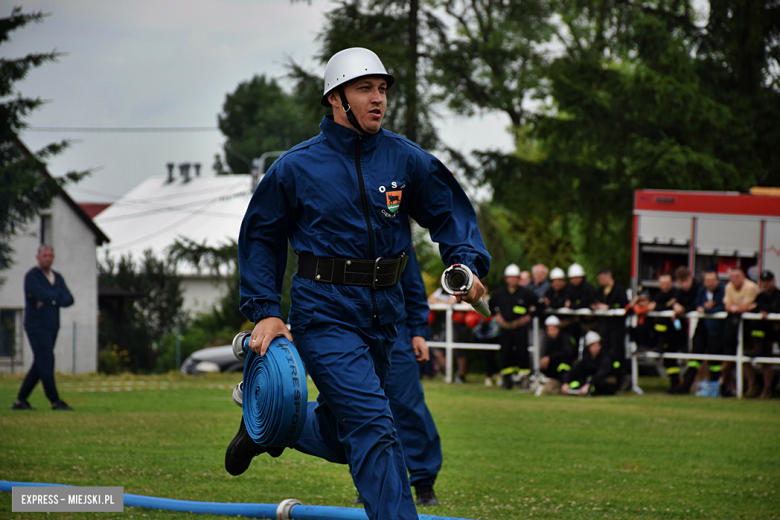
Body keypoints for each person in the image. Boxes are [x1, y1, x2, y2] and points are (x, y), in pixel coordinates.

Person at [227, 48, 490, 520]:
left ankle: (262, 418)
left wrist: (466, 264)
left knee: (345, 433)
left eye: (383, 89)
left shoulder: (404, 159)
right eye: (365, 88)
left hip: (383, 317)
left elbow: (450, 211)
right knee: (373, 424)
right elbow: (260, 237)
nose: (378, 100)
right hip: (322, 314)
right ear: (335, 98)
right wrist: (266, 308)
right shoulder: (295, 167)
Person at [363, 246, 443, 506]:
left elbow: (413, 284)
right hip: (351, 328)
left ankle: (423, 481)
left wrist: (418, 331)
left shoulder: (394, 228)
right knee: (360, 410)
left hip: (396, 330)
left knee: (408, 404)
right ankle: (371, 479)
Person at [12, 245, 74, 411]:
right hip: (36, 326)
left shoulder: (57, 277)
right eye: (45, 255)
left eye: (50, 255)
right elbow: (41, 294)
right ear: (38, 257)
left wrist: (50, 299)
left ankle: (21, 400)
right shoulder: (32, 277)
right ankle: (55, 401)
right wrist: (54, 297)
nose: (48, 258)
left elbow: (69, 299)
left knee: (40, 364)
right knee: (47, 361)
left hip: (52, 325)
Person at [490, 264, 540, 389]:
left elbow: (539, 305)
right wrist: (496, 315)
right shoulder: (500, 293)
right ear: (506, 279)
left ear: (519, 279)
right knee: (505, 353)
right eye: (510, 277)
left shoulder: (526, 293)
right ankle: (507, 379)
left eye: (515, 278)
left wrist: (530, 316)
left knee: (522, 352)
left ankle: (524, 379)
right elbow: (490, 305)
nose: (512, 280)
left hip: (520, 328)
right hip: (505, 328)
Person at [722, 268, 759, 397]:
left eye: (737, 276)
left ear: (743, 276)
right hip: (733, 326)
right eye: (732, 277)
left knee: (745, 356)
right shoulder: (728, 287)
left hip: (750, 328)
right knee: (730, 357)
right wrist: (737, 307)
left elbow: (748, 306)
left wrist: (735, 307)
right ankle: (728, 387)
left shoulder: (751, 287)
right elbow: (727, 305)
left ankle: (754, 385)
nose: (734, 280)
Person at [591, 267, 629, 385]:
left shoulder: (619, 289)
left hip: (617, 328)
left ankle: (620, 377)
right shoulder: (600, 290)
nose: (600, 281)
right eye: (599, 279)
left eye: (602, 278)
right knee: (605, 352)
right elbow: (593, 300)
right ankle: (606, 375)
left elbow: (625, 306)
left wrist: (608, 307)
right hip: (604, 327)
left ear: (609, 276)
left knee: (617, 353)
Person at [745, 270, 779, 398]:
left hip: (775, 333)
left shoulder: (778, 295)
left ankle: (768, 389)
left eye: (768, 281)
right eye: (763, 281)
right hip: (761, 335)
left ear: (773, 281)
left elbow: (776, 309)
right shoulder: (760, 296)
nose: (765, 284)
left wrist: (767, 311)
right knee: (749, 358)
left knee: (767, 360)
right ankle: (755, 386)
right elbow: (754, 307)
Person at [692, 269, 727, 388]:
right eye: (707, 281)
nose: (710, 283)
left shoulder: (723, 290)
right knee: (705, 357)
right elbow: (697, 304)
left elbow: (724, 307)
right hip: (707, 329)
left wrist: (707, 309)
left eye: (712, 280)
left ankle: (720, 386)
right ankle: (712, 387)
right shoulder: (702, 291)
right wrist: (701, 307)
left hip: (721, 330)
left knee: (720, 360)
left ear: (718, 280)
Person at [649, 273, 683, 393]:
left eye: (667, 283)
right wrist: (665, 306)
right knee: (669, 361)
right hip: (663, 333)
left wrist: (660, 307)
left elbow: (667, 307)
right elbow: (655, 306)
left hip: (675, 332)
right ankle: (674, 384)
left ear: (672, 283)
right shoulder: (658, 295)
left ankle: (676, 384)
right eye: (662, 283)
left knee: (671, 358)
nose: (664, 286)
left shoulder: (677, 293)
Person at [671, 266, 702, 394]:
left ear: (690, 278)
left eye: (685, 281)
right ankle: (684, 384)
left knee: (699, 354)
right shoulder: (679, 292)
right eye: (680, 282)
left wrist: (683, 309)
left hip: (702, 327)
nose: (683, 285)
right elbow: (675, 301)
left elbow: (696, 305)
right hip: (688, 329)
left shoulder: (699, 288)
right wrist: (675, 305)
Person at [561, 331, 621, 396]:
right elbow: (574, 371)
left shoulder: (606, 358)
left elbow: (602, 373)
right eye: (593, 345)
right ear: (589, 347)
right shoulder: (587, 359)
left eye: (598, 344)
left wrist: (589, 384)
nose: (596, 348)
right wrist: (565, 383)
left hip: (604, 385)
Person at [539, 315, 577, 384]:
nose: (551, 332)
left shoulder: (565, 338)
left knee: (563, 366)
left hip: (566, 365)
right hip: (553, 367)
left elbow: (568, 353)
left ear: (558, 328)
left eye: (553, 329)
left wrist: (550, 358)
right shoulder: (548, 341)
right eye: (549, 330)